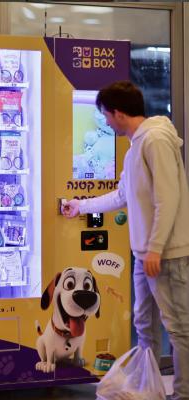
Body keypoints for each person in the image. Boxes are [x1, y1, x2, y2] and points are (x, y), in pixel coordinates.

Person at [62, 80, 189, 400]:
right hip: (146, 252)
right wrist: (82, 205)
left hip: (166, 254)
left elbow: (168, 198)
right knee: (145, 324)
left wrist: (157, 248)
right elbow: (122, 195)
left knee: (179, 327)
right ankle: (149, 387)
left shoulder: (155, 141)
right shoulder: (136, 146)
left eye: (105, 115)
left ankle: (183, 393)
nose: (104, 122)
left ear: (118, 113)